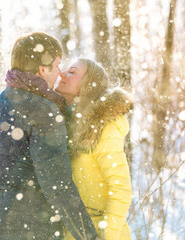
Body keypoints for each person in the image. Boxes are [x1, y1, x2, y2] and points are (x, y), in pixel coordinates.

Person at [0, 33, 98, 240]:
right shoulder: (44, 111)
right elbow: (58, 186)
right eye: (57, 66)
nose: (59, 73)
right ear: (42, 69)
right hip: (34, 230)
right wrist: (88, 235)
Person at [56, 58, 133, 240]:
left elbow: (121, 188)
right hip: (76, 231)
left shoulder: (102, 129)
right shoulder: (64, 124)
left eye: (72, 72)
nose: (62, 74)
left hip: (98, 232)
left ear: (88, 85)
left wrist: (108, 235)